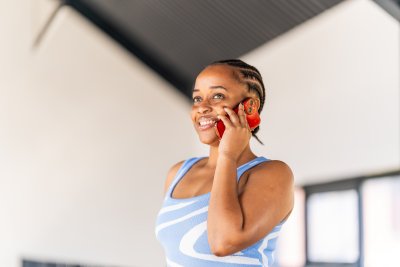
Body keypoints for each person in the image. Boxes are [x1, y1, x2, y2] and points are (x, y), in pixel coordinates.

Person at [155, 59, 294, 267]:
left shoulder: (274, 174)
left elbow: (223, 242)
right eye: (197, 98)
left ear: (250, 106)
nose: (202, 107)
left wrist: (227, 156)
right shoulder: (178, 173)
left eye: (217, 96)